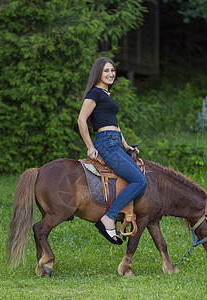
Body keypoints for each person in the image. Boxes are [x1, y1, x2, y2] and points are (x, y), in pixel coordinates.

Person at [77, 57, 147, 245]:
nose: (111, 74)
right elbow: (81, 120)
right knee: (140, 180)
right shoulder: (95, 93)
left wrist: (126, 145)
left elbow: (113, 124)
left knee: (136, 177)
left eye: (113, 70)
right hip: (106, 144)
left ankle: (112, 215)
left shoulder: (106, 95)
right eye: (106, 71)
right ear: (98, 73)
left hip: (115, 142)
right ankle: (109, 217)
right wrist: (90, 146)